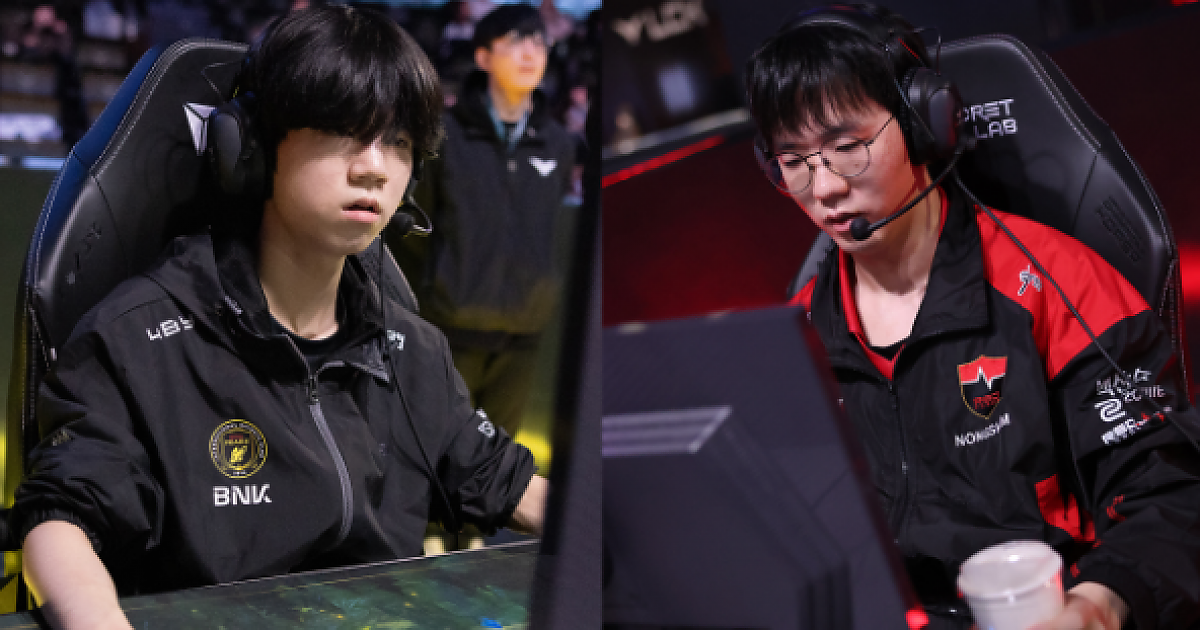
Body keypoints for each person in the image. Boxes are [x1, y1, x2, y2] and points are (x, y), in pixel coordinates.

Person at [10, 6, 547, 629]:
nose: (374, 166)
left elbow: (505, 481)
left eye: (398, 142)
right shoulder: (135, 341)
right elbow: (59, 522)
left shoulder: (411, 349)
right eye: (344, 131)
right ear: (254, 148)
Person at [746, 4, 1200, 629]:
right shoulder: (795, 337)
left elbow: (1169, 488)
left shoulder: (1056, 285)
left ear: (922, 124)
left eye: (847, 148)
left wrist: (1098, 603)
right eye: (794, 161)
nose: (823, 189)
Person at [390, 4, 575, 445]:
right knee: (434, 453)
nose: (529, 52)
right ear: (483, 57)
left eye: (538, 42)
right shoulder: (443, 137)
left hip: (523, 332)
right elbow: (415, 229)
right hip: (450, 329)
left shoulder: (559, 143)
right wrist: (441, 290)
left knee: (497, 464)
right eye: (514, 42)